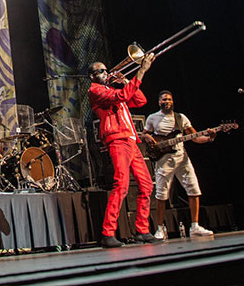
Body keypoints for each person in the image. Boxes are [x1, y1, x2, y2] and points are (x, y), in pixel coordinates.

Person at [88, 53, 161, 247]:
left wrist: (128, 80)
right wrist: (142, 70)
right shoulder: (95, 91)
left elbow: (140, 101)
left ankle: (142, 230)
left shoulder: (114, 89)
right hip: (117, 141)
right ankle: (108, 233)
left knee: (147, 185)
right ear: (92, 76)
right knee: (122, 185)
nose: (106, 73)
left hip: (132, 141)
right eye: (101, 71)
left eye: (106, 70)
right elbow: (121, 96)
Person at [144, 90, 216, 239]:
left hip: (182, 157)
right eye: (164, 99)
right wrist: (148, 138)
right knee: (162, 194)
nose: (167, 102)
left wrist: (209, 138)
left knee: (193, 189)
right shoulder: (153, 118)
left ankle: (195, 226)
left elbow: (195, 137)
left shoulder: (181, 118)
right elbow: (145, 133)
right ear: (159, 102)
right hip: (164, 160)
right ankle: (160, 228)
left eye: (169, 99)